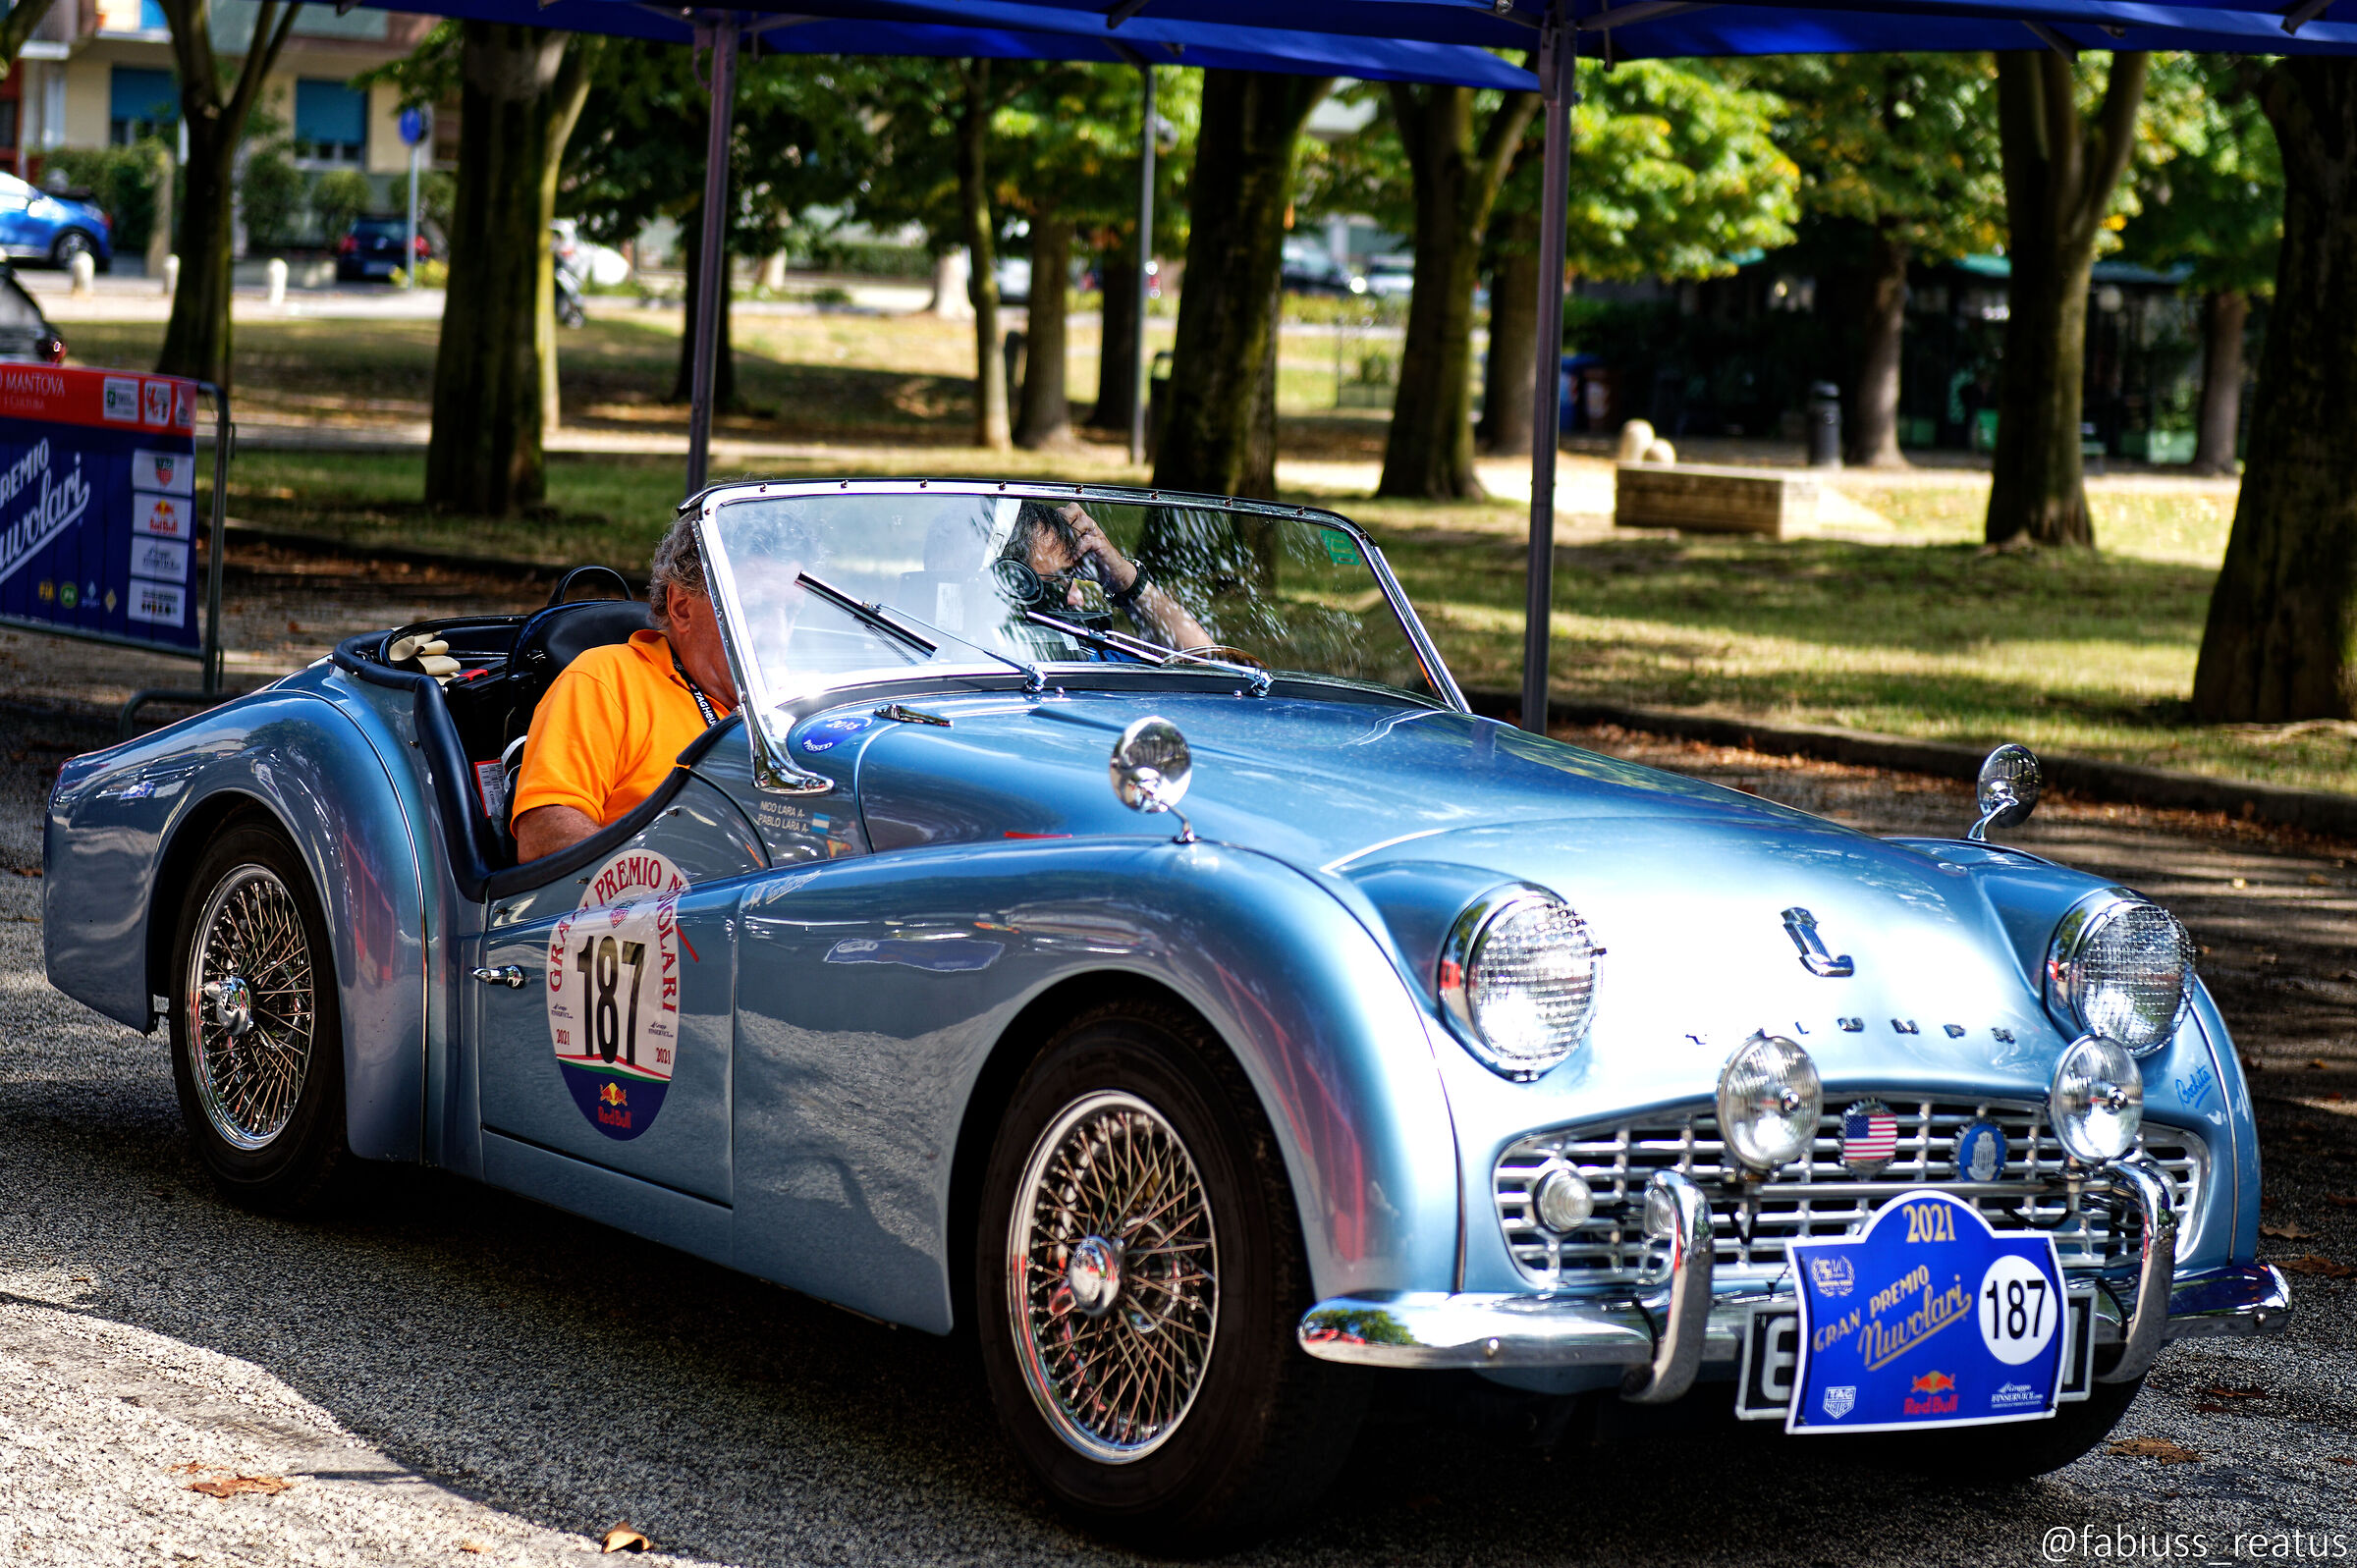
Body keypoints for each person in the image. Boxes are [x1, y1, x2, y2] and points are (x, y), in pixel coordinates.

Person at [510, 516, 738, 862]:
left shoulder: (804, 696)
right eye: (752, 608)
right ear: (681, 607)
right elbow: (544, 835)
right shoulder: (604, 679)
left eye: (790, 610)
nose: (781, 632)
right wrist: (671, 874)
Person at [1007, 501, 1212, 653]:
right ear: (1005, 581)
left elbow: (1208, 663)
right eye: (1054, 583)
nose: (1078, 599)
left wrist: (1126, 581)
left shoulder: (1091, 656)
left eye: (1070, 578)